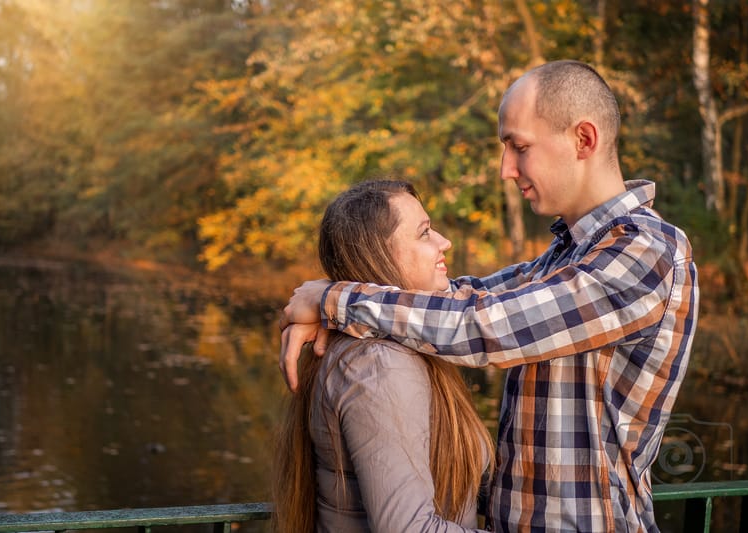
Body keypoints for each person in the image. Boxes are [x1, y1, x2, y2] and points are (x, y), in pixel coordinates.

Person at [278, 60, 699, 532]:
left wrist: (334, 299)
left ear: (584, 139)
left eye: (519, 147)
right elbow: (459, 297)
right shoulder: (560, 260)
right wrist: (328, 301)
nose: (506, 169)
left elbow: (486, 325)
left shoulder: (646, 252)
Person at [272, 179, 495, 532]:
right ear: (379, 256)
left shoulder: (406, 345)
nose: (443, 242)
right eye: (424, 233)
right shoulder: (379, 364)